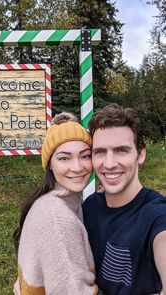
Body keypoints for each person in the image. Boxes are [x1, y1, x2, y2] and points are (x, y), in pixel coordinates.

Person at [82, 103, 166, 295]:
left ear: (141, 154)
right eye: (100, 151)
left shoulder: (156, 215)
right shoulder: (90, 206)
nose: (109, 164)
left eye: (121, 150)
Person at [13, 112, 98, 295]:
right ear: (49, 164)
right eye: (64, 158)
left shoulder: (54, 201)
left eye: (85, 156)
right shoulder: (57, 219)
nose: (77, 167)